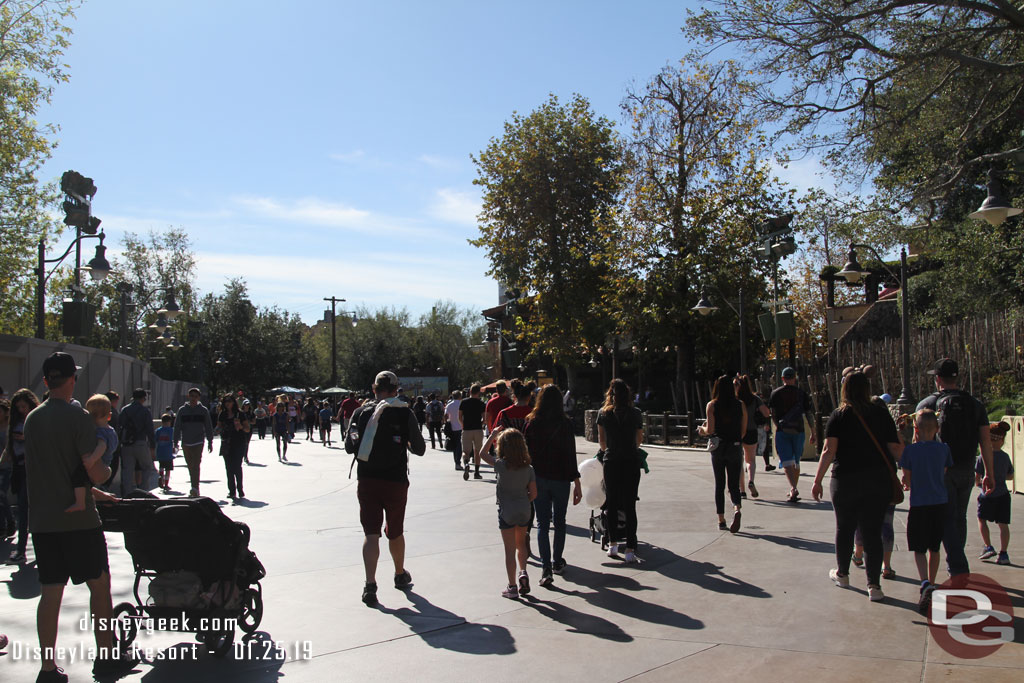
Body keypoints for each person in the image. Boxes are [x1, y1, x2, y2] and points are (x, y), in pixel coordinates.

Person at [24, 352, 137, 681]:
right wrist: (107, 468)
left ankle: (47, 667)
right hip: (80, 521)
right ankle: (106, 656)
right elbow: (96, 472)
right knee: (99, 584)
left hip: (44, 520)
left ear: (46, 381)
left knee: (50, 591)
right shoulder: (78, 418)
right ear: (72, 379)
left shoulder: (33, 418)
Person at [812, 371, 901, 602]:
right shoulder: (881, 413)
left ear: (844, 390)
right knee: (872, 532)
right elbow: (895, 448)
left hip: (845, 480)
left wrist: (817, 480)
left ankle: (843, 574)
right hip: (877, 480)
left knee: (845, 528)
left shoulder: (839, 416)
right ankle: (874, 585)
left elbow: (828, 450)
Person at [345, 371, 426, 606]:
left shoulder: (360, 413)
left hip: (367, 480)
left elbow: (350, 446)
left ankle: (370, 585)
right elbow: (419, 448)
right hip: (395, 481)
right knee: (395, 530)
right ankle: (399, 574)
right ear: (395, 389)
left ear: (374, 388)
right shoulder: (404, 413)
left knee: (371, 533)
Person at [915, 358, 994, 578]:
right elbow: (985, 441)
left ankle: (958, 568)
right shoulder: (975, 405)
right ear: (956, 377)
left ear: (938, 379)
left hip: (940, 471)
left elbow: (918, 443)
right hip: (967, 468)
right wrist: (988, 472)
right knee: (959, 517)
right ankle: (956, 563)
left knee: (947, 518)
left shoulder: (927, 405)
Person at [524, 384, 582, 587]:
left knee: (542, 523)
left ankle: (545, 568)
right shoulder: (565, 424)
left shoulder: (531, 422)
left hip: (538, 477)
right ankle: (557, 561)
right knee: (559, 521)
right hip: (561, 478)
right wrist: (577, 482)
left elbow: (526, 454)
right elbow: (570, 454)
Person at [898, 409, 953, 613]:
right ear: (937, 428)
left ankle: (924, 583)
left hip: (919, 504)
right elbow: (944, 471)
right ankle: (932, 580)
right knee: (934, 547)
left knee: (919, 548)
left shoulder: (910, 451)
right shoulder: (944, 449)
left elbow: (907, 478)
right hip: (939, 502)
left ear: (916, 429)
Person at [479, 426, 537, 598]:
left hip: (507, 511)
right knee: (522, 545)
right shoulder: (529, 469)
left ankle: (512, 587)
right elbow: (534, 494)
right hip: (524, 510)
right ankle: (523, 572)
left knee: (509, 550)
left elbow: (482, 454)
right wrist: (524, 500)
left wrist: (492, 435)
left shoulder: (501, 466)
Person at [598, 378, 646, 559]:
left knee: (611, 502)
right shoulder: (636, 413)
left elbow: (602, 442)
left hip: (611, 460)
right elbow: (639, 439)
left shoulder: (603, 413)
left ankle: (612, 544)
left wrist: (609, 449)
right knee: (629, 503)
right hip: (631, 460)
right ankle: (631, 549)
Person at [698, 376, 747, 533]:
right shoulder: (740, 405)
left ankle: (721, 519)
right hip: (735, 445)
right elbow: (743, 429)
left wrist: (701, 430)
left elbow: (710, 430)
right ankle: (736, 508)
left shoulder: (712, 405)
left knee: (720, 484)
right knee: (734, 484)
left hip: (719, 447)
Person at [768, 367, 816, 503]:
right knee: (796, 460)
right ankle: (793, 487)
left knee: (787, 461)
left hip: (783, 430)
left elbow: (773, 414)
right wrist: (813, 432)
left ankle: (793, 487)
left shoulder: (775, 394)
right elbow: (808, 414)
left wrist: (778, 425)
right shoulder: (802, 394)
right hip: (798, 430)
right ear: (795, 378)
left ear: (783, 378)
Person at [2, 388, 38, 563]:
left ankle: (34, 549)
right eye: (18, 407)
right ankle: (21, 550)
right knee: (23, 510)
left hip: (33, 469)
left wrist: (27, 438)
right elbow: (9, 447)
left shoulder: (37, 419)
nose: (21, 410)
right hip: (19, 468)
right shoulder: (15, 421)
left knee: (33, 510)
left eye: (24, 406)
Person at [66, 396, 118, 512]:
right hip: (106, 463)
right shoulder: (111, 430)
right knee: (87, 484)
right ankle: (98, 498)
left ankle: (80, 502)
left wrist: (92, 459)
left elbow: (102, 446)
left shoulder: (100, 431)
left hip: (99, 462)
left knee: (78, 478)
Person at [977, 421, 1014, 565]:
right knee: (1003, 525)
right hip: (1003, 495)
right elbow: (1010, 475)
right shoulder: (1005, 457)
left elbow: (977, 478)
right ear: (1002, 440)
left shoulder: (982, 457)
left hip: (987, 495)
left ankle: (988, 546)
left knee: (982, 520)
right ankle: (1003, 553)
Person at [173, 388, 214, 497]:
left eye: (196, 396)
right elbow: (177, 427)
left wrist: (210, 441)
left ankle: (195, 488)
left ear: (199, 398)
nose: (193, 398)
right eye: (192, 396)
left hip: (198, 441)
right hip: (186, 442)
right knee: (190, 465)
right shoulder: (182, 410)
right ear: (188, 396)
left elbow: (208, 426)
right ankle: (194, 486)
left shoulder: (203, 410)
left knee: (196, 464)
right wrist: (175, 442)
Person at [118, 387, 158, 495]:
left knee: (127, 469)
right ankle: (143, 491)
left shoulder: (125, 410)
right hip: (140, 442)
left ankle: (127, 493)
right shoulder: (145, 411)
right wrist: (152, 446)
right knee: (147, 467)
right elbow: (150, 430)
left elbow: (119, 426)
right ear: (143, 398)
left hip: (126, 444)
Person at [735, 375, 769, 499]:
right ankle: (751, 480)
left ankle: (742, 490)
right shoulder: (754, 399)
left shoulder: (735, 399)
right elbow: (766, 412)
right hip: (751, 430)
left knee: (739, 461)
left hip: (737, 432)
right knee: (750, 460)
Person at [217, 394, 250, 499]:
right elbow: (219, 426)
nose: (228, 403)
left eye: (230, 401)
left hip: (239, 442)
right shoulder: (222, 414)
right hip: (226, 443)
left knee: (237, 466)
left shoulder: (239, 414)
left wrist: (240, 426)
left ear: (233, 402)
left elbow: (247, 429)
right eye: (226, 401)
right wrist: (217, 429)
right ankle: (231, 491)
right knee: (229, 468)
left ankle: (240, 489)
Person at [459, 384, 487, 480]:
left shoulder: (463, 402)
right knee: (477, 451)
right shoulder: (481, 403)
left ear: (470, 391)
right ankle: (477, 472)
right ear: (479, 392)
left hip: (467, 429)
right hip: (478, 429)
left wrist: (463, 425)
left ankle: (466, 463)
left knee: (465, 451)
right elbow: (484, 418)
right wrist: (481, 424)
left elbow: (459, 416)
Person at [154, 413, 176, 491]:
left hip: (160, 452)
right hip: (168, 454)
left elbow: (155, 440)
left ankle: (160, 477)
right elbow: (174, 440)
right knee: (168, 470)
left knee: (161, 467)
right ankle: (166, 484)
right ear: (170, 422)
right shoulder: (171, 430)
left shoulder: (158, 430)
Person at [444, 391, 463, 471]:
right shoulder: (462, 404)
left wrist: (446, 422)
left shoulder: (449, 405)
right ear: (460, 396)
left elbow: (445, 415)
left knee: (455, 445)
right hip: (461, 427)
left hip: (452, 427)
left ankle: (456, 461)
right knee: (459, 444)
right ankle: (458, 462)